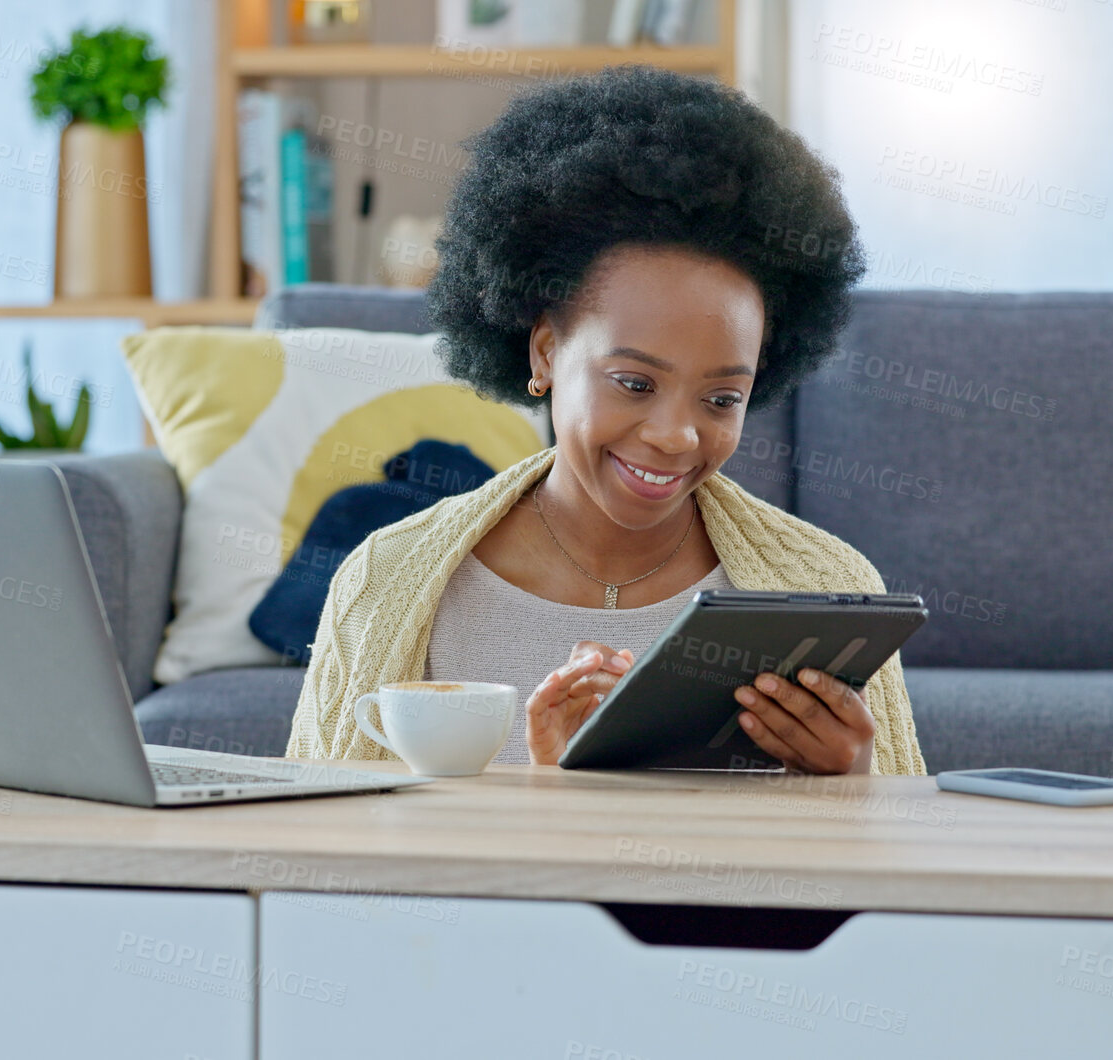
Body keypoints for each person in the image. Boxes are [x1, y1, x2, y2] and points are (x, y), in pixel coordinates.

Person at [285, 65, 923, 775]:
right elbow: (321, 853)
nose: (676, 436)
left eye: (720, 399)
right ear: (546, 350)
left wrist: (856, 787)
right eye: (634, 382)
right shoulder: (386, 578)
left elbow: (897, 879)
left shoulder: (824, 589)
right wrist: (555, 798)